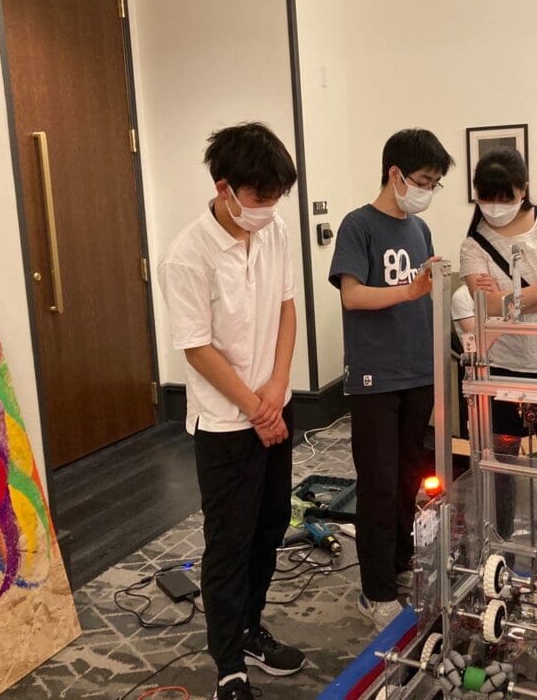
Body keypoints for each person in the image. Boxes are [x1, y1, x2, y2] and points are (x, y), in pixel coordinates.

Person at [158, 123, 303, 700]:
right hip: (224, 423)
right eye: (261, 197)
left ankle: (249, 628)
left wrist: (279, 385)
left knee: (271, 526)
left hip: (274, 404)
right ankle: (228, 665)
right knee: (229, 542)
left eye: (276, 197)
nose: (269, 208)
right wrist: (254, 407)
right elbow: (196, 347)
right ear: (224, 189)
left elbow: (288, 308)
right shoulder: (187, 257)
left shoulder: (275, 232)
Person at [328, 128, 453, 632]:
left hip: (417, 371)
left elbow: (425, 295)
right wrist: (408, 291)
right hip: (375, 377)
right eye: (423, 181)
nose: (427, 191)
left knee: (407, 479)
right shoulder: (358, 225)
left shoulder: (419, 230)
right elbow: (352, 296)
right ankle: (375, 592)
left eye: (435, 184)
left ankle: (400, 564)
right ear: (395, 174)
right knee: (378, 484)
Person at [458, 147, 537, 558]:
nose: (496, 205)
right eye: (487, 196)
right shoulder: (473, 244)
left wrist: (511, 301)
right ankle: (498, 549)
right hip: (501, 368)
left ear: (524, 190)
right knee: (498, 464)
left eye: (505, 196)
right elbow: (486, 307)